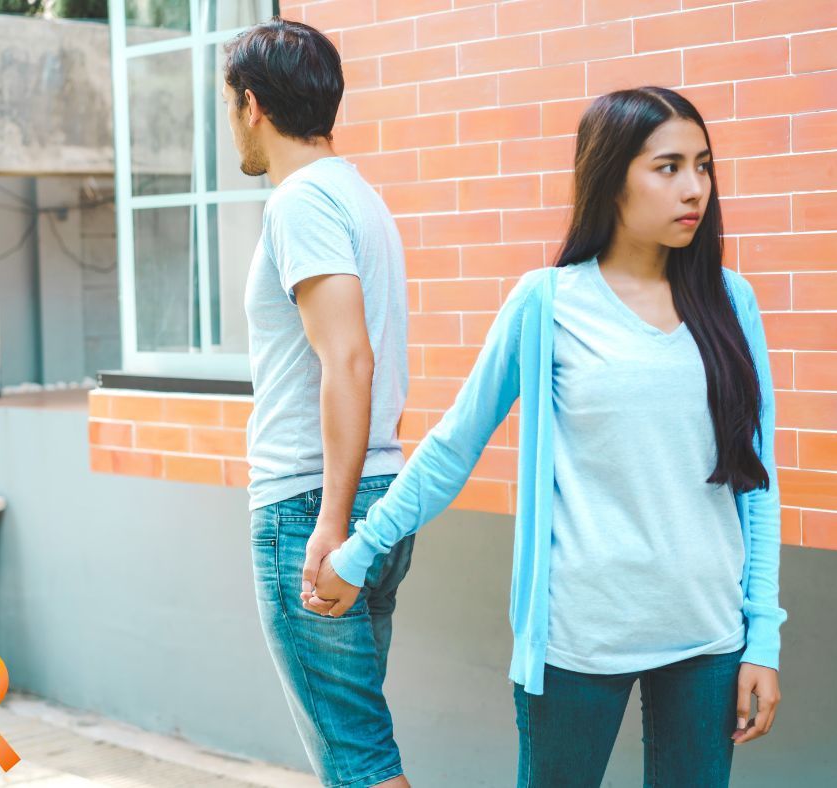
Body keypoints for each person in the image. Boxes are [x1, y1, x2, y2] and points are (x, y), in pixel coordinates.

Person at [306, 87, 787, 787]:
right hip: (577, 641)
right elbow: (453, 445)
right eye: (669, 167)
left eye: (704, 166)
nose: (696, 189)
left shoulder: (730, 300)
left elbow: (757, 480)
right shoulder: (548, 302)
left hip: (709, 638)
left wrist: (762, 639)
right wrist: (363, 549)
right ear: (611, 177)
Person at [223, 17, 415, 788]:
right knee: (360, 744)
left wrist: (332, 524)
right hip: (375, 495)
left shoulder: (300, 202)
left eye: (228, 108)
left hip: (314, 507)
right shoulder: (360, 197)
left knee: (360, 763)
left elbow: (349, 359)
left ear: (251, 105)